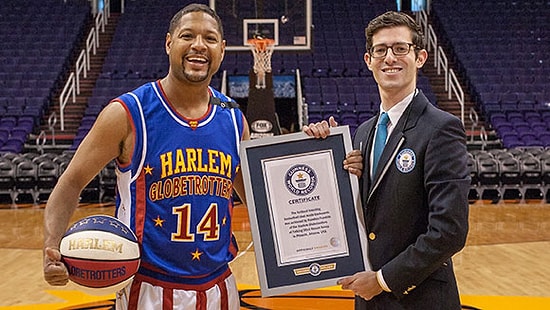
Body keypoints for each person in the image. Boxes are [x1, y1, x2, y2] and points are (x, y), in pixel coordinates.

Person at [43, 4, 249, 309]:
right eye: (187, 35)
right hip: (148, 289)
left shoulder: (233, 119)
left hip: (220, 288)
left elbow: (260, 203)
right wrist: (51, 246)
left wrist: (317, 151)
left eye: (209, 38)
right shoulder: (128, 113)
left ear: (222, 49)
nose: (198, 45)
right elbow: (71, 182)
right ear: (169, 43)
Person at [303, 11, 469, 309]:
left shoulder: (441, 128)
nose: (389, 57)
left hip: (419, 298)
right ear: (369, 61)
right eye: (380, 50)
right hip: (368, 299)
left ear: (419, 57)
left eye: (400, 48)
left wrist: (382, 280)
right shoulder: (364, 133)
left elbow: (450, 232)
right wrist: (320, 156)